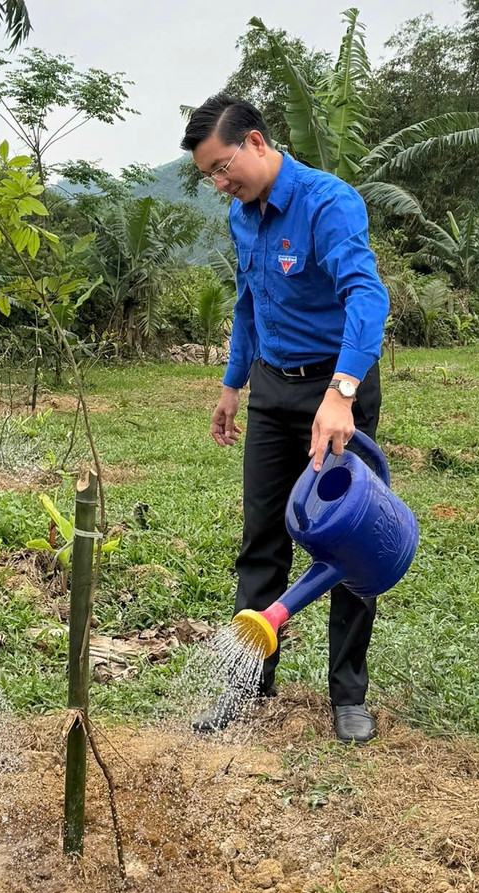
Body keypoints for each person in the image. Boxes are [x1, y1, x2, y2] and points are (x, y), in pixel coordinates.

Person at [180, 95, 390, 745]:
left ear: (256, 141)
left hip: (337, 389)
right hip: (272, 389)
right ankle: (249, 685)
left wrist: (342, 392)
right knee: (261, 540)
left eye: (222, 167)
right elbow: (248, 304)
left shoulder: (329, 202)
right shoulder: (243, 218)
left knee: (349, 539)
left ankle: (348, 695)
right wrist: (231, 385)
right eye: (209, 176)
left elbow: (366, 295)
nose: (220, 184)